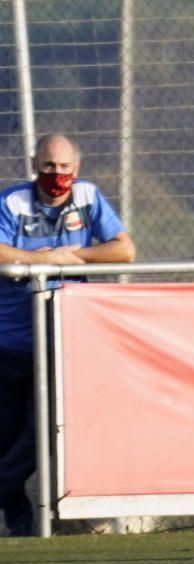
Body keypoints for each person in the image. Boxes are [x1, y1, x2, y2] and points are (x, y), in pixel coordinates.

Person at [0, 133, 136, 537]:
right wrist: (35, 260)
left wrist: (72, 257)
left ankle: (41, 518)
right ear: (33, 164)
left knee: (39, 434)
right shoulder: (12, 201)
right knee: (7, 438)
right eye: (47, 166)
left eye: (62, 167)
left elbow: (124, 250)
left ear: (75, 168)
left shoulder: (88, 198)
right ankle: (21, 526)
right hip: (9, 343)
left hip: (62, 341)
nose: (55, 175)